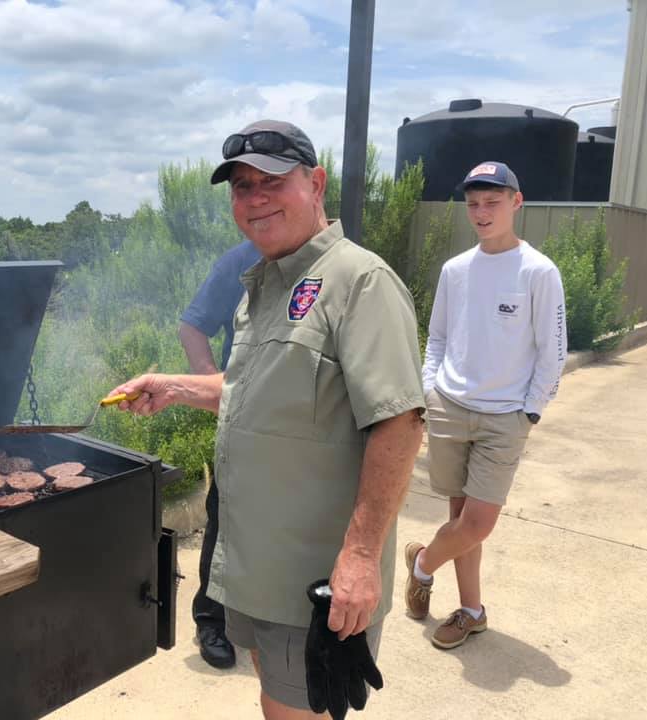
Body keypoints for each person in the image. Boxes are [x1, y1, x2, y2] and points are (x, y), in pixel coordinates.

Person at [111, 119, 425, 719]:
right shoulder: (266, 281)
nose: (254, 198)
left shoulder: (359, 281)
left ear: (315, 184)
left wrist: (360, 558)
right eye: (240, 186)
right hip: (254, 566)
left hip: (311, 575)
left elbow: (399, 424)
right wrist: (172, 386)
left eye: (271, 182)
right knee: (273, 695)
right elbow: (254, 391)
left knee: (294, 710)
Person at [404, 161, 567, 649]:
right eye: (474, 203)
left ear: (516, 203)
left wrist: (531, 409)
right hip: (450, 407)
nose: (481, 212)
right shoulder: (456, 270)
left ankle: (421, 563)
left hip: (505, 418)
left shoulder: (538, 271)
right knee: (461, 521)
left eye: (492, 202)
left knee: (478, 523)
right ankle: (472, 611)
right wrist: (432, 390)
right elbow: (436, 338)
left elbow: (553, 349)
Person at [180, 239, 261, 669]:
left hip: (308, 426)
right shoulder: (239, 261)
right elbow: (192, 326)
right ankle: (212, 618)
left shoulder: (329, 263)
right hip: (243, 419)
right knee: (226, 517)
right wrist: (216, 386)